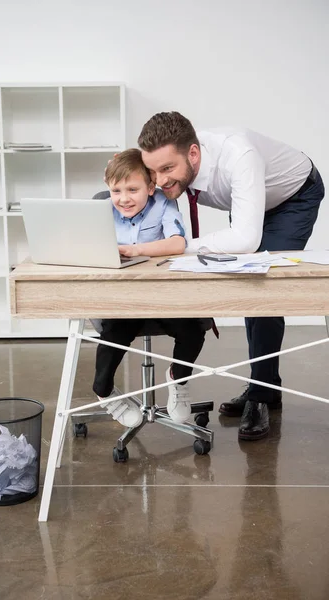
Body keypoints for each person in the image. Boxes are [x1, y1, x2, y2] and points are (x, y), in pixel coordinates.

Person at [138, 111, 325, 441]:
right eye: (152, 170)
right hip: (256, 200)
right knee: (246, 282)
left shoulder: (238, 156)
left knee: (261, 289)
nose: (160, 180)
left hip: (294, 196)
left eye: (167, 169)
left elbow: (245, 239)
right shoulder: (169, 169)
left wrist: (179, 246)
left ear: (193, 154)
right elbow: (137, 193)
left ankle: (261, 395)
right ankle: (265, 385)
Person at [93, 148, 211, 428]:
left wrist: (135, 250)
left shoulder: (163, 204)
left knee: (193, 330)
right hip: (122, 301)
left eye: (132, 189)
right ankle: (104, 391)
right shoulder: (101, 210)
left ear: (150, 186)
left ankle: (178, 378)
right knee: (112, 335)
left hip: (162, 298)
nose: (123, 198)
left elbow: (177, 243)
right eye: (116, 190)